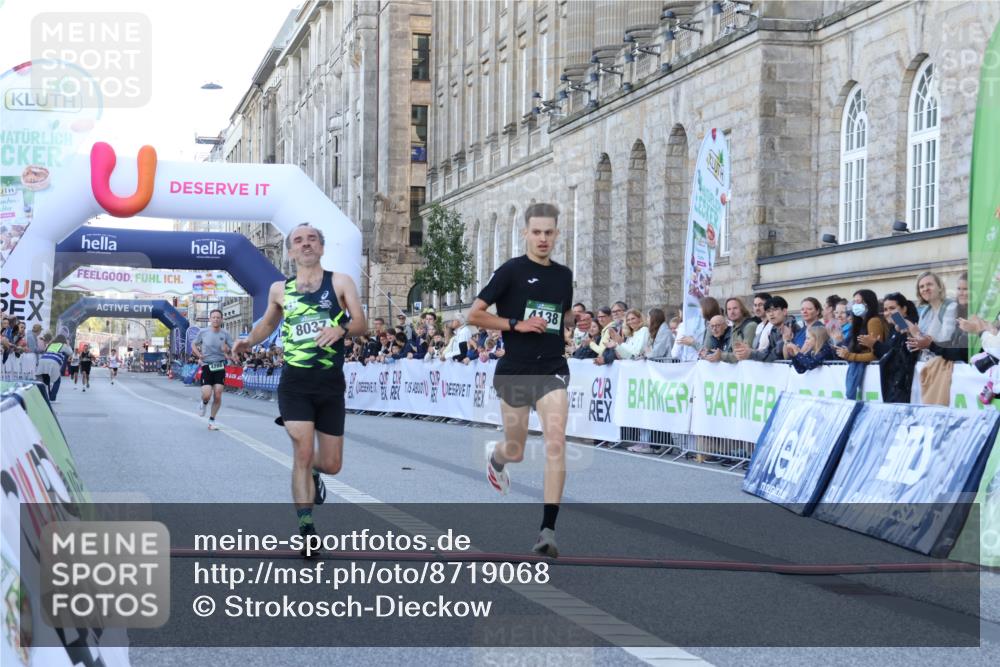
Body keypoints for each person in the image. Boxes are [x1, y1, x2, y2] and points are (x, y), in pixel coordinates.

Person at [233, 223, 366, 556]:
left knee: (331, 464)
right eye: (298, 241)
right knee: (302, 452)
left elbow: (361, 322)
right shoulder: (280, 289)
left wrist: (341, 328)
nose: (305, 245)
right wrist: (248, 340)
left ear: (321, 247)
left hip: (330, 384)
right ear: (290, 252)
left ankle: (315, 476)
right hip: (295, 383)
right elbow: (267, 323)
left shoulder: (340, 282)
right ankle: (307, 528)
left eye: (312, 240)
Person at [468, 202, 573, 558]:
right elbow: (475, 315)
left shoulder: (563, 275)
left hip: (552, 369)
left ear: (557, 234)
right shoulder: (511, 271)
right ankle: (497, 459)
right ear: (525, 233)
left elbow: (560, 314)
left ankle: (548, 530)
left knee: (555, 442)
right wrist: (516, 325)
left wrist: (574, 321)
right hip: (515, 369)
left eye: (549, 232)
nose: (543, 238)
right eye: (537, 232)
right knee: (516, 447)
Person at [835, 289, 885, 399]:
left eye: (859, 302)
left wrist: (850, 356)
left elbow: (876, 353)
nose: (855, 305)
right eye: (854, 302)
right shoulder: (859, 323)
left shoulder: (873, 321)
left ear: (868, 303)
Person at [192, 309, 235, 431]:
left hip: (220, 365)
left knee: (218, 394)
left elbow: (233, 348)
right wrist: (199, 355)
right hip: (207, 365)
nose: (216, 319)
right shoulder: (203, 332)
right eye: (214, 317)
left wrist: (228, 351)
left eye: (218, 317)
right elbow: (194, 344)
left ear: (221, 319)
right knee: (206, 395)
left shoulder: (225, 333)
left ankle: (212, 420)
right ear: (210, 319)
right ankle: (204, 403)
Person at [915, 271, 958, 360]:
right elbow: (920, 340)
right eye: (921, 287)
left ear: (940, 287)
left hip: (944, 364)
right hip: (925, 363)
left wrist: (921, 338)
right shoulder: (925, 311)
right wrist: (911, 331)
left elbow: (945, 340)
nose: (925, 289)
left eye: (929, 284)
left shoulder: (951, 307)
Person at [35, 335, 72, 402]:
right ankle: (52, 398)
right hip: (53, 362)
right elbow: (70, 352)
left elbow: (45, 350)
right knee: (57, 380)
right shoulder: (63, 345)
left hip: (43, 360)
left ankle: (39, 396)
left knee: (44, 379)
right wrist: (68, 345)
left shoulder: (51, 344)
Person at [720, 297, 756, 363]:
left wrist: (720, 355)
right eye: (729, 309)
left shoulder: (750, 326)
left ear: (742, 309)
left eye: (735, 308)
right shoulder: (733, 327)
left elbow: (742, 354)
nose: (732, 312)